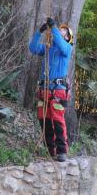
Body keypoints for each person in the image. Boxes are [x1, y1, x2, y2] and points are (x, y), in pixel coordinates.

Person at [29, 17, 73, 162]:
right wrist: (39, 32)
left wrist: (53, 27)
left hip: (57, 91)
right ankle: (50, 149)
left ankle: (61, 151)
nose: (59, 31)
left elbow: (60, 43)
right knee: (44, 120)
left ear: (67, 37)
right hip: (44, 90)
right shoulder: (48, 49)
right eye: (58, 29)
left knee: (57, 120)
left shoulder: (66, 48)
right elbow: (33, 48)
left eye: (63, 32)